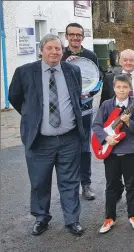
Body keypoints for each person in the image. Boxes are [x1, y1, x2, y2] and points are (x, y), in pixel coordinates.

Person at [8, 34, 86, 236]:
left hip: (69, 138)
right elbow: (15, 98)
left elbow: (76, 98)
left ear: (62, 51)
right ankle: (41, 217)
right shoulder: (25, 72)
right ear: (41, 50)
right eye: (50, 48)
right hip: (40, 140)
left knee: (69, 181)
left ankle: (72, 220)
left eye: (58, 49)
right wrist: (32, 117)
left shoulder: (72, 70)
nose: (54, 52)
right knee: (39, 180)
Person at [100, 49, 134, 203]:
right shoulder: (110, 77)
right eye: (125, 60)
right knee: (115, 159)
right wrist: (108, 126)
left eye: (132, 60)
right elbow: (103, 102)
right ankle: (116, 191)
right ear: (120, 61)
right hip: (115, 127)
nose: (129, 63)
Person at [92, 74, 134, 234]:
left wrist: (128, 122)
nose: (121, 90)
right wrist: (106, 137)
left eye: (125, 87)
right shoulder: (107, 105)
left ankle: (133, 215)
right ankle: (109, 217)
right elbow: (97, 125)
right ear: (114, 88)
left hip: (129, 152)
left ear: (130, 89)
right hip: (111, 153)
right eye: (118, 87)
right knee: (111, 186)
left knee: (132, 185)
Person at [61, 22, 99, 201]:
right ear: (66, 36)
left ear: (83, 37)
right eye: (72, 34)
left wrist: (89, 92)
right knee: (67, 148)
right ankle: (70, 186)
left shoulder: (90, 55)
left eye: (78, 35)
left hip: (84, 109)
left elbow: (97, 80)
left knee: (84, 147)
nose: (75, 37)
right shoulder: (60, 55)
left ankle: (86, 184)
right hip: (65, 110)